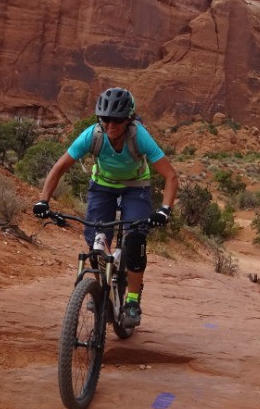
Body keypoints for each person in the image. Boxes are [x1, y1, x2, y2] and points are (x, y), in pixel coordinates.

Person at [33, 87, 179, 328]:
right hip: (103, 186)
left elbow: (171, 176)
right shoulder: (93, 135)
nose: (111, 124)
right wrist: (43, 200)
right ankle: (99, 289)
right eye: (105, 119)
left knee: (135, 241)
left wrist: (165, 209)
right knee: (96, 239)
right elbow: (59, 167)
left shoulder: (139, 136)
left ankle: (132, 299)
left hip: (136, 187)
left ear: (128, 119)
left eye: (118, 120)